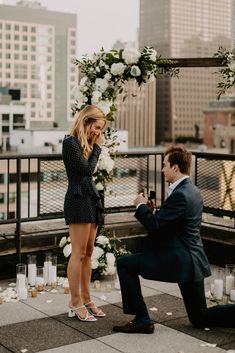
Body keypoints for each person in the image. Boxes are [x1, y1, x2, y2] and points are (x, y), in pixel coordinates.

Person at [113, 145, 235, 333]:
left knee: (124, 264)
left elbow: (156, 226)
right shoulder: (192, 190)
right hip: (192, 260)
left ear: (175, 167)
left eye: (164, 165)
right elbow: (173, 223)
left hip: (177, 259)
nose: (162, 169)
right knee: (199, 317)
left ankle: (142, 319)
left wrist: (140, 207)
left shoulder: (180, 195)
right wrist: (152, 211)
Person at [62, 105, 106, 322]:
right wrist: (97, 149)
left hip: (91, 199)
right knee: (78, 252)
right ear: (86, 121)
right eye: (97, 127)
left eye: (101, 129)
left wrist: (93, 146)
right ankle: (75, 301)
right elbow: (86, 171)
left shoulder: (87, 143)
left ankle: (87, 299)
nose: (98, 133)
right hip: (77, 200)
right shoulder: (70, 142)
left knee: (89, 252)